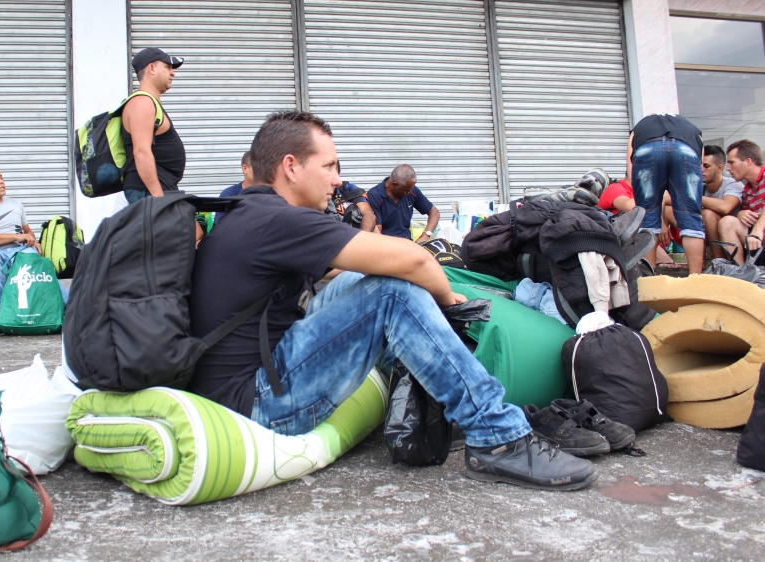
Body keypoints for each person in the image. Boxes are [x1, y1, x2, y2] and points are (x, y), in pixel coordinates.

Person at [188, 110, 596, 491]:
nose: (336, 180)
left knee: (359, 279)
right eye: (329, 165)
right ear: (291, 166)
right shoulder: (278, 219)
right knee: (393, 293)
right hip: (259, 404)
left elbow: (349, 271)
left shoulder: (248, 214)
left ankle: (435, 407)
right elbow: (416, 260)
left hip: (243, 385)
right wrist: (449, 300)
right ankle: (498, 436)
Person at [0, 166, 62, 322]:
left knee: (36, 262)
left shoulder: (16, 204)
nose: (1, 182)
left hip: (21, 252)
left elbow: (27, 231)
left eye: (1, 177)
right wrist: (15, 237)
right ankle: (0, 311)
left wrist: (33, 240)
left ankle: (67, 307)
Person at [630, 114, 705, 275]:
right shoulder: (690, 127)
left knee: (648, 219)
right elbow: (700, 158)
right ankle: (696, 279)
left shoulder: (641, 127)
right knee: (691, 218)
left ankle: (650, 280)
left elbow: (630, 161)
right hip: (687, 149)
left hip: (646, 150)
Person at [121, 47, 186, 204]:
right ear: (151, 68)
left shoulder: (148, 102)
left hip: (159, 190)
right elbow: (141, 152)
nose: (172, 73)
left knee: (195, 228)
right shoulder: (142, 102)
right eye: (167, 67)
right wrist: (159, 201)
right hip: (149, 193)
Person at [662, 145, 744, 259]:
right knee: (669, 210)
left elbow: (726, 207)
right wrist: (662, 224)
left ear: (719, 168)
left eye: (706, 166)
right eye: (699, 164)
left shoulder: (732, 184)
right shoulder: (700, 186)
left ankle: (719, 262)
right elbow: (666, 199)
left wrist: (691, 197)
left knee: (707, 214)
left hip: (731, 237)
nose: (700, 169)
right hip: (707, 234)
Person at [718, 139, 765, 264]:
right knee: (727, 222)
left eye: (732, 163)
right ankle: (741, 274)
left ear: (748, 162)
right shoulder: (746, 190)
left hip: (759, 235)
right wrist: (741, 214)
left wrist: (757, 230)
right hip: (760, 244)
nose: (728, 169)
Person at [366, 165, 440, 242]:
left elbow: (434, 212)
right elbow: (377, 233)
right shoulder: (374, 196)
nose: (409, 192)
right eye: (406, 190)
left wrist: (426, 235)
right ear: (394, 184)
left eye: (411, 189)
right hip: (386, 244)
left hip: (407, 243)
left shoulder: (412, 191)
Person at [325, 161, 376, 231]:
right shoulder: (311, 193)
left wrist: (362, 239)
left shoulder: (348, 188)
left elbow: (368, 214)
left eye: (334, 173)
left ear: (339, 172)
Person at [214, 151, 254, 224]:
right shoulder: (229, 194)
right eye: (256, 167)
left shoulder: (270, 194)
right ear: (245, 168)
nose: (262, 171)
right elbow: (219, 228)